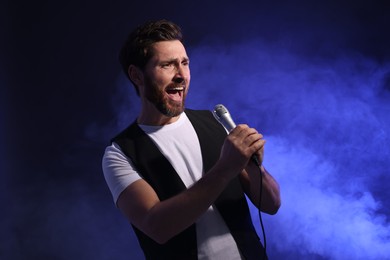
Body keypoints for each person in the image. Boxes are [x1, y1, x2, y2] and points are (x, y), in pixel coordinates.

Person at [102, 19, 281, 260]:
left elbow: (271, 204)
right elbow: (157, 226)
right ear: (137, 75)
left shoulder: (214, 123)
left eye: (184, 63)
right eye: (167, 65)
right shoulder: (120, 153)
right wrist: (226, 167)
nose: (181, 75)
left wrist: (253, 165)